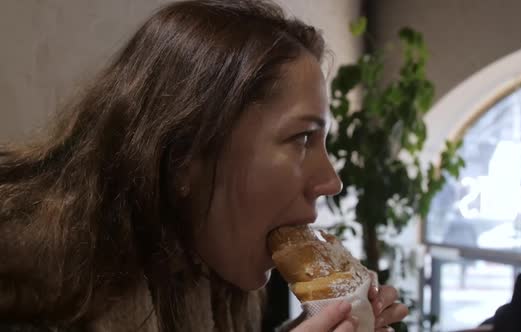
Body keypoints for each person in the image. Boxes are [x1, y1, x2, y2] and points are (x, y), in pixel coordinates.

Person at [0, 1, 409, 331]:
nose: (331, 181)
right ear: (184, 156)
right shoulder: (25, 298)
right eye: (302, 138)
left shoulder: (202, 270)